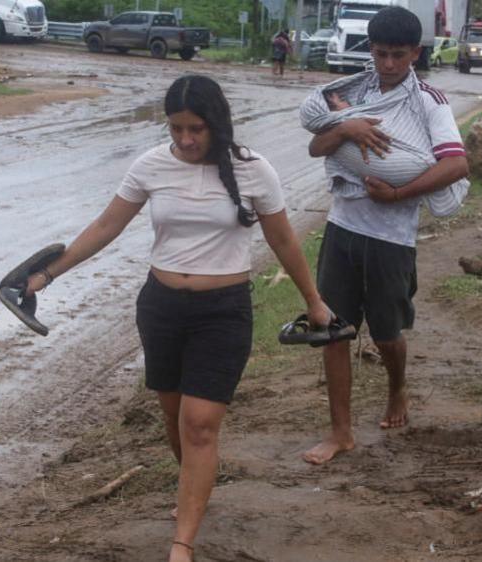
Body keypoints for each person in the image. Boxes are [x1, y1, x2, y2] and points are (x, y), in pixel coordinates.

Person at [24, 74, 331, 561]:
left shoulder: (253, 170)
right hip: (161, 308)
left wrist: (313, 301)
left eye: (195, 129)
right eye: (176, 129)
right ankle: (194, 487)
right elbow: (107, 225)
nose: (185, 140)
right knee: (175, 416)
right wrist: (47, 273)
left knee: (201, 424)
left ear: (217, 125)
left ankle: (182, 542)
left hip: (223, 311)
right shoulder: (151, 165)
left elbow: (284, 240)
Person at [299, 6, 470, 465]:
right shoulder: (350, 92)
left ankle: (397, 388)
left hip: (393, 236)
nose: (389, 64)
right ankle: (340, 432)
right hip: (342, 227)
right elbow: (317, 147)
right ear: (369, 51)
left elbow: (456, 164)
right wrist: (346, 126)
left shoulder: (429, 102)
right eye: (380, 54)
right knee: (334, 330)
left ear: (416, 52)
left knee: (387, 332)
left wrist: (399, 194)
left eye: (399, 55)